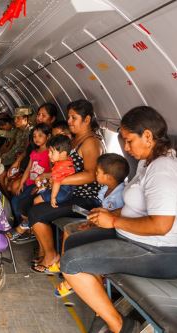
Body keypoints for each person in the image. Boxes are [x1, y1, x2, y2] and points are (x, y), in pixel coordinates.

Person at [61, 106, 177, 333]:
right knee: (74, 240)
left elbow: (161, 226)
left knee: (71, 263)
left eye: (129, 141)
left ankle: (121, 326)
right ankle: (105, 305)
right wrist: (106, 216)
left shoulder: (164, 169)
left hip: (161, 252)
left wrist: (112, 222)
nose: (126, 148)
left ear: (148, 136)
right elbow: (135, 207)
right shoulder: (147, 163)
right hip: (137, 239)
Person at [27, 99, 103, 274]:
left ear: (87, 119)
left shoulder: (90, 142)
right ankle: (46, 251)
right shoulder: (76, 140)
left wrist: (60, 181)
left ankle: (51, 256)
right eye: (68, 117)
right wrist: (48, 176)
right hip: (68, 194)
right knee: (32, 204)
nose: (69, 121)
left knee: (35, 213)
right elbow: (62, 171)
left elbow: (91, 174)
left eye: (73, 118)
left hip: (84, 199)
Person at [55, 153, 129, 298]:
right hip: (100, 224)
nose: (95, 174)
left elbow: (114, 219)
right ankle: (66, 267)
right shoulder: (105, 188)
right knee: (70, 229)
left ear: (108, 177)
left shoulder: (120, 195)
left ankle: (76, 280)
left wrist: (92, 225)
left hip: (112, 229)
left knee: (80, 236)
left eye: (98, 172)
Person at [9, 123, 52, 235]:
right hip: (29, 183)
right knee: (14, 200)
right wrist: (21, 183)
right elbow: (28, 169)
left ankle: (27, 227)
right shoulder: (34, 152)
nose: (36, 138)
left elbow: (52, 173)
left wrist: (42, 187)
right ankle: (21, 225)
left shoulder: (50, 153)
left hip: (38, 186)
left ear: (48, 136)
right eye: (34, 136)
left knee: (23, 204)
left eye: (40, 135)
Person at [33, 134, 76, 208]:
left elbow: (56, 183)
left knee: (36, 200)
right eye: (49, 152)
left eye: (52, 152)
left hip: (61, 193)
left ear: (63, 154)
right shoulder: (68, 160)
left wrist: (53, 198)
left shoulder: (59, 167)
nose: (49, 155)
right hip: (69, 192)